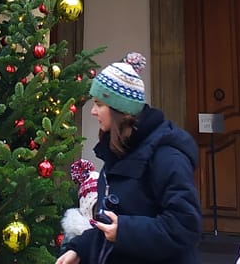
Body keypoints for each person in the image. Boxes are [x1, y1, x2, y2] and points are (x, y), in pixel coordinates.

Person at [55, 52, 202, 264]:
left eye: (98, 104)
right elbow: (113, 222)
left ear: (120, 110)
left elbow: (185, 225)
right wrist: (80, 248)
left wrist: (125, 231)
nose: (93, 112)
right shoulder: (121, 149)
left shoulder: (167, 155)